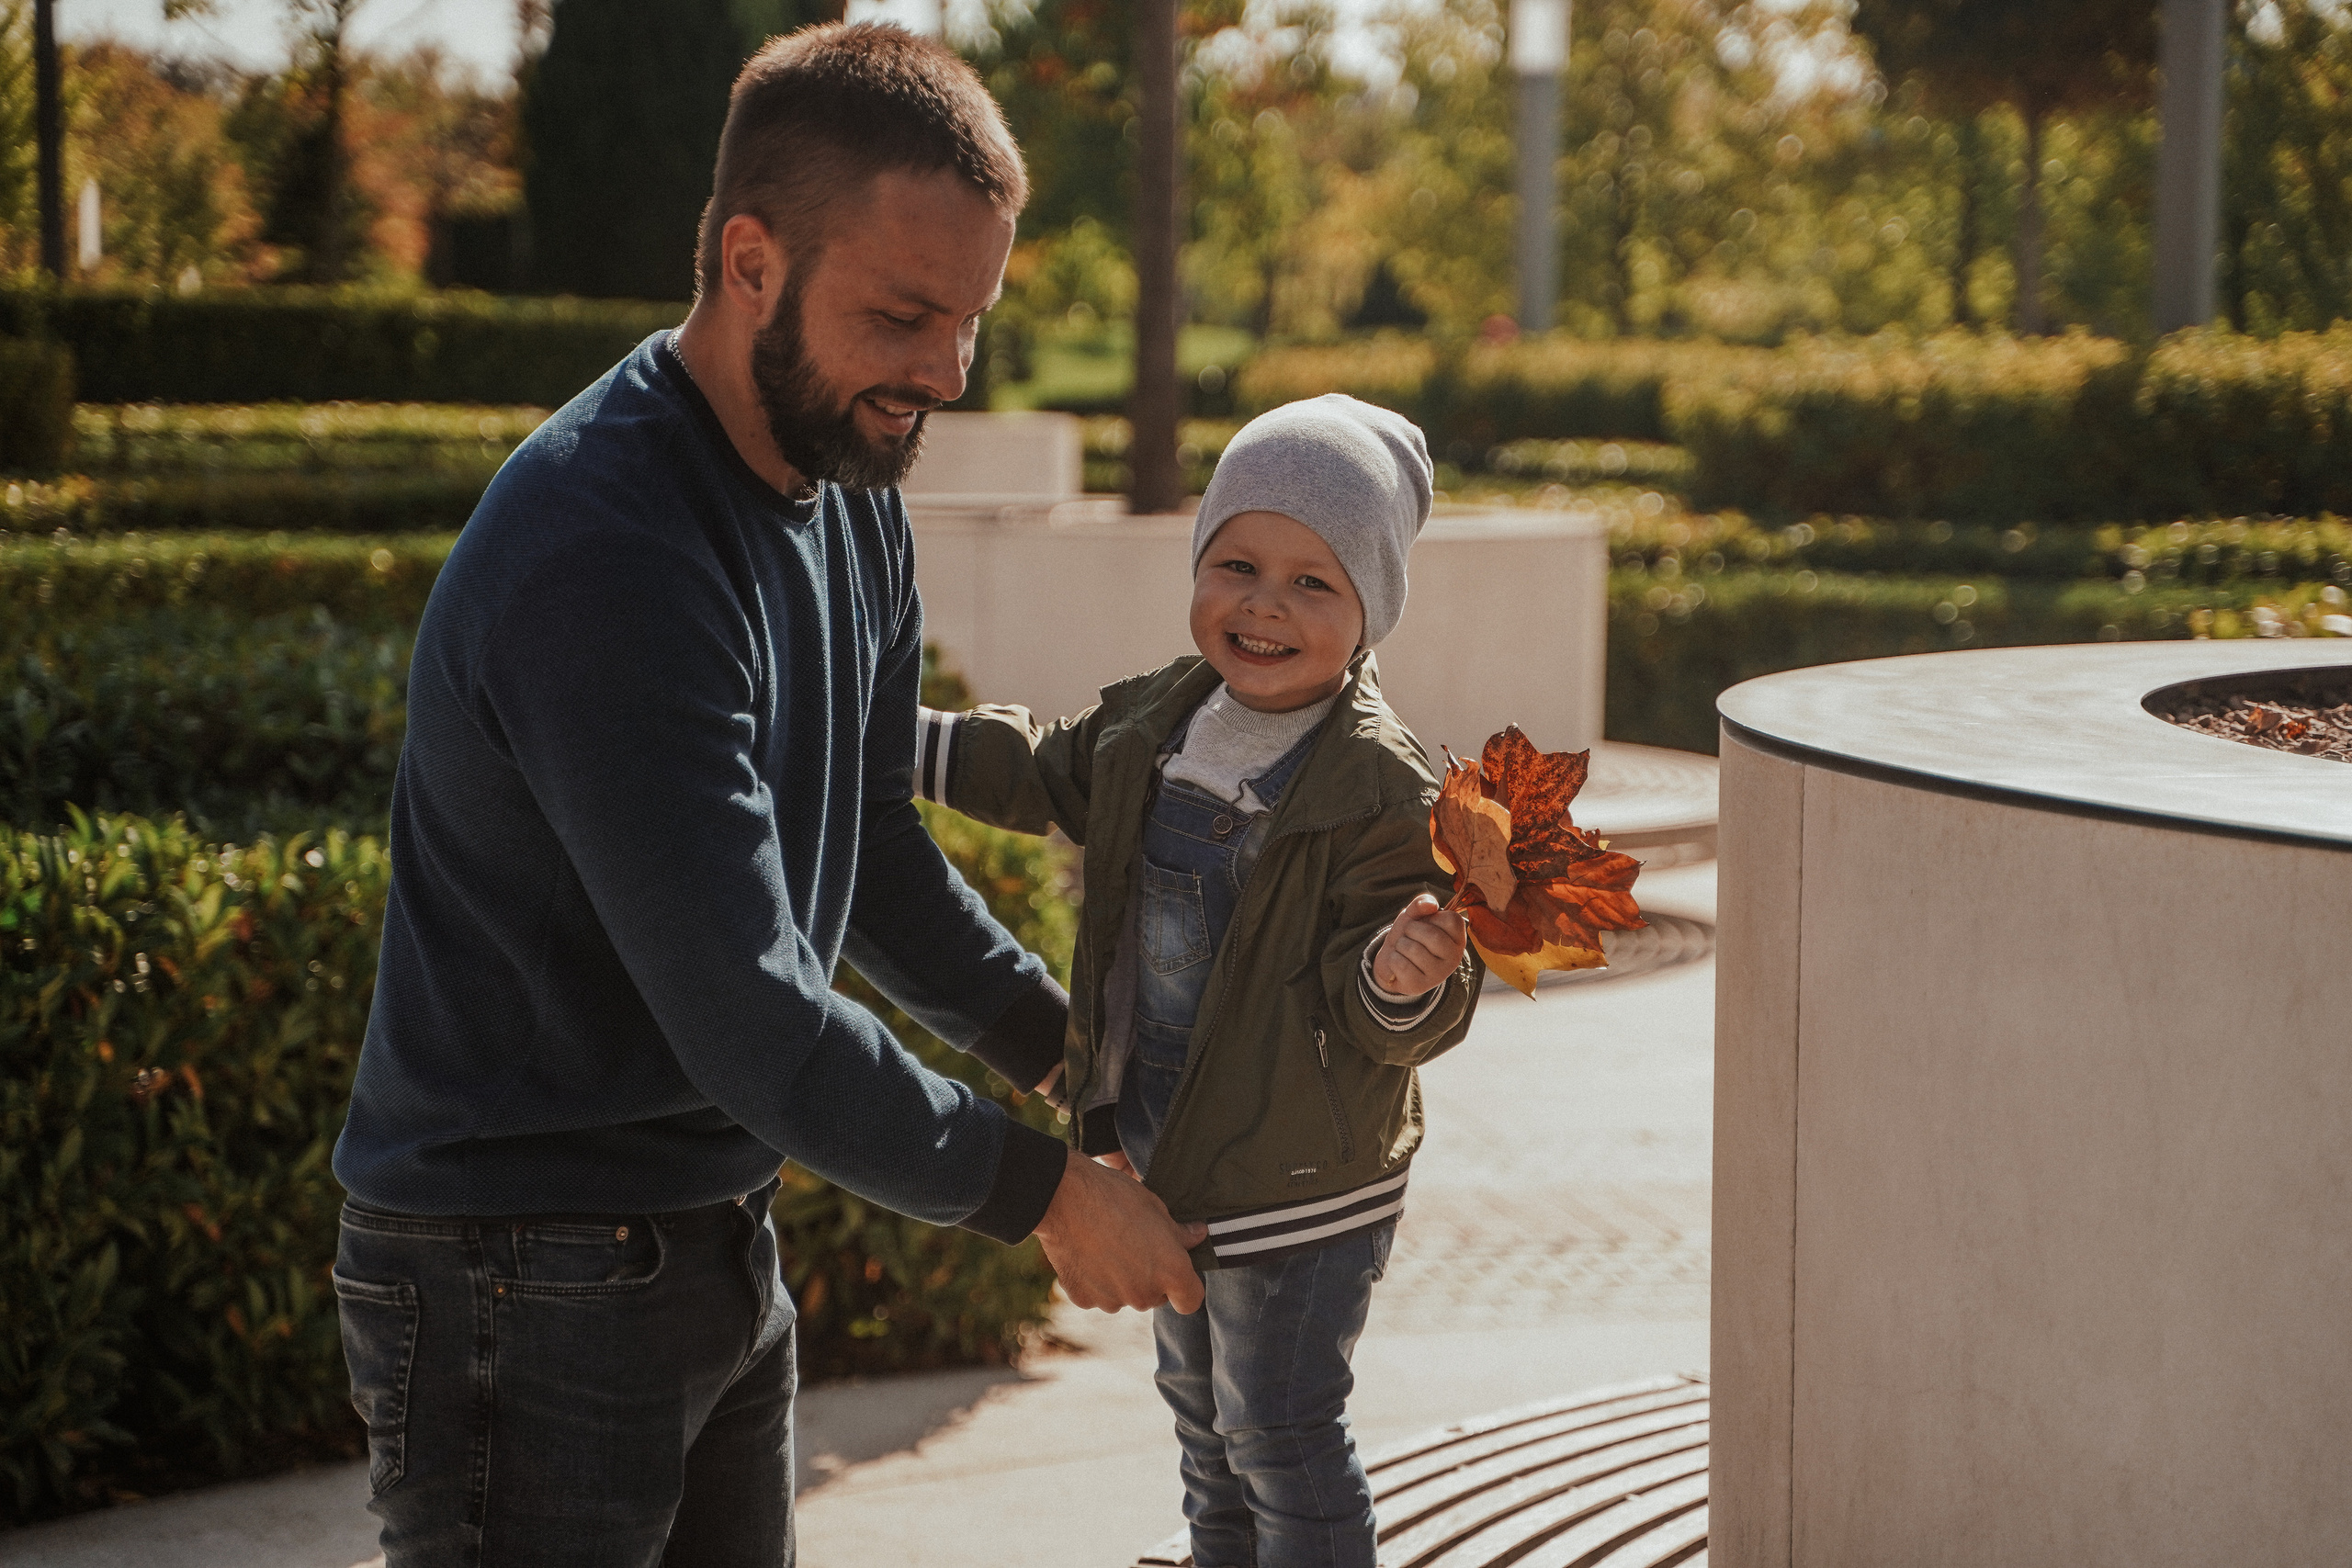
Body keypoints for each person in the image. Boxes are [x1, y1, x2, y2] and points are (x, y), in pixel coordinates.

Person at [327, 24, 1204, 1568]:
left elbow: (864, 846)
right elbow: (750, 1021)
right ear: (749, 259)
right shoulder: (608, 550)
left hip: (710, 1239)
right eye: (904, 315)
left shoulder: (846, 490)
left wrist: (1077, 1054)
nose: (941, 372)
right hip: (518, 1276)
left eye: (972, 322)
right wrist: (1046, 1191)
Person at [916, 394, 1482, 1568]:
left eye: (1313, 584)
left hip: (1300, 1178)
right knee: (1203, 1428)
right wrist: (897, 742)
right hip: (1168, 1159)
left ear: (1370, 610)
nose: (1264, 604)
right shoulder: (1160, 721)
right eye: (1237, 564)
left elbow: (1383, 1003)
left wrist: (1399, 972)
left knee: (1278, 1427)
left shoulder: (1378, 785)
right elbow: (1036, 764)